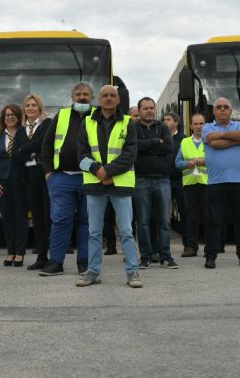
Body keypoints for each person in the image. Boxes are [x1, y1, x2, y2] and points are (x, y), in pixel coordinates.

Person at [76, 84, 142, 288]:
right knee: (94, 232)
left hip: (119, 184)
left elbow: (130, 154)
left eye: (112, 95)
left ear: (118, 99)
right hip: (96, 184)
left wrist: (109, 172)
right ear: (99, 99)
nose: (108, 98)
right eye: (104, 95)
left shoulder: (128, 123)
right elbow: (81, 155)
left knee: (126, 231)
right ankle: (93, 272)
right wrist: (99, 170)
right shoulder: (87, 122)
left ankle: (133, 272)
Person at [38, 82, 93, 276]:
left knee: (87, 222)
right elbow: (46, 145)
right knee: (60, 220)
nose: (81, 97)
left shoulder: (98, 116)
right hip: (62, 178)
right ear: (72, 97)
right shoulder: (61, 116)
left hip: (90, 178)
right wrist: (48, 173)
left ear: (92, 98)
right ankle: (56, 262)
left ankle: (85, 263)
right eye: (78, 94)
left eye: (85, 94)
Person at [202, 99, 240, 269]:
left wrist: (224, 136)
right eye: (219, 107)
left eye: (226, 107)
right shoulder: (206, 128)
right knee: (214, 221)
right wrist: (236, 138)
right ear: (214, 112)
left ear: (231, 111)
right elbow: (214, 143)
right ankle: (211, 256)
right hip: (216, 183)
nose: (223, 110)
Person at [134, 97, 177, 269]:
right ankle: (146, 257)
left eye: (152, 108)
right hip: (141, 180)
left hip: (162, 180)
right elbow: (133, 147)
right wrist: (154, 142)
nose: (150, 111)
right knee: (143, 221)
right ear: (140, 111)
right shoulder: (133, 128)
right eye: (145, 108)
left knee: (165, 221)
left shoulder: (163, 128)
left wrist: (146, 148)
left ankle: (166, 256)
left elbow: (168, 147)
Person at [0, 104, 27, 266]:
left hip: (21, 181)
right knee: (7, 218)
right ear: (3, 118)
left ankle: (20, 252)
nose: (10, 117)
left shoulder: (24, 134)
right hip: (2, 182)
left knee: (20, 217)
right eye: (6, 115)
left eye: (13, 114)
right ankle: (10, 251)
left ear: (18, 117)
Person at [20, 94, 53, 271]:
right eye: (27, 105)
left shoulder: (46, 123)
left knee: (49, 217)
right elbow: (18, 152)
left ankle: (54, 256)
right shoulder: (22, 128)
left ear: (39, 108)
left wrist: (26, 148)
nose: (31, 108)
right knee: (38, 219)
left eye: (34, 105)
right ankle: (41, 257)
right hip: (29, 177)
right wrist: (30, 150)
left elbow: (43, 143)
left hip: (45, 175)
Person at [175, 112, 207, 257]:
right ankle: (190, 247)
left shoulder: (210, 141)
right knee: (191, 217)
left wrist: (205, 161)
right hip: (189, 185)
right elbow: (177, 163)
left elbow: (219, 161)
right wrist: (187, 164)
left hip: (207, 184)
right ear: (191, 126)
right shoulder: (184, 142)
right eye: (196, 124)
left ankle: (211, 246)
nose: (199, 126)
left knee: (210, 216)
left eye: (201, 123)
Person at [163, 111, 188, 250]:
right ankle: (163, 247)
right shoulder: (161, 138)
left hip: (181, 181)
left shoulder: (184, 139)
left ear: (176, 122)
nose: (165, 122)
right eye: (164, 119)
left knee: (185, 214)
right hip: (164, 180)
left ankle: (188, 245)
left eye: (168, 119)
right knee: (163, 215)